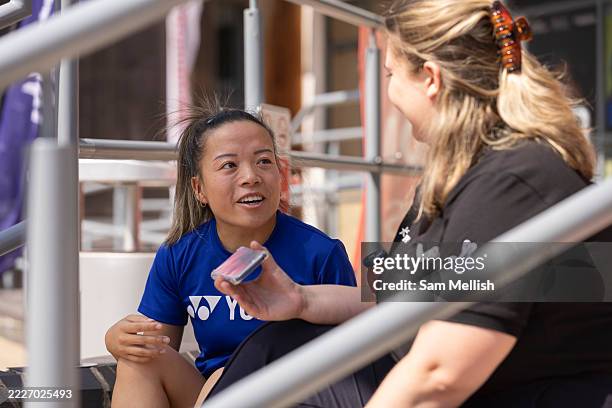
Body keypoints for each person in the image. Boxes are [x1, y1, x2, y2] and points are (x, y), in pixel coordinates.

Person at [208, 1, 612, 406]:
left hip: (511, 394)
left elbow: (441, 374)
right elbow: (400, 296)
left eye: (390, 74)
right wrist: (301, 298)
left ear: (431, 80)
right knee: (276, 345)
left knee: (271, 365)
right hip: (450, 373)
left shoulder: (512, 183)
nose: (390, 92)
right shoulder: (466, 174)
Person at [105, 104, 357, 407]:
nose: (251, 176)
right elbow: (158, 346)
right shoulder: (178, 255)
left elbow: (350, 363)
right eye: (229, 165)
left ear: (281, 175)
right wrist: (118, 340)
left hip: (294, 395)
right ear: (199, 189)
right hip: (210, 392)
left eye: (264, 161)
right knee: (139, 361)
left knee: (224, 378)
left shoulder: (321, 252)